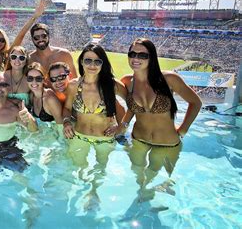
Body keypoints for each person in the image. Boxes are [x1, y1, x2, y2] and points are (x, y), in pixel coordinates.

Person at [121, 38, 201, 198]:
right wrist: (123, 124)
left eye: (143, 55)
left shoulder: (169, 79)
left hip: (167, 144)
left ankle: (147, 195)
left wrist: (183, 129)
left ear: (152, 58)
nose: (136, 59)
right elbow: (131, 106)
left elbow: (196, 102)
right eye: (132, 54)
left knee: (156, 176)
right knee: (137, 173)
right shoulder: (128, 81)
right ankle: (141, 194)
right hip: (138, 140)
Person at [62, 43, 127, 168]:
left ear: (103, 64)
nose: (92, 65)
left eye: (97, 62)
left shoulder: (113, 85)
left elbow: (132, 105)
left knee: (100, 171)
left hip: (105, 139)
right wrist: (66, 122)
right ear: (81, 62)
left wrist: (121, 127)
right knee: (78, 169)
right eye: (88, 60)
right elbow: (67, 108)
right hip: (79, 136)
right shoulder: (73, 85)